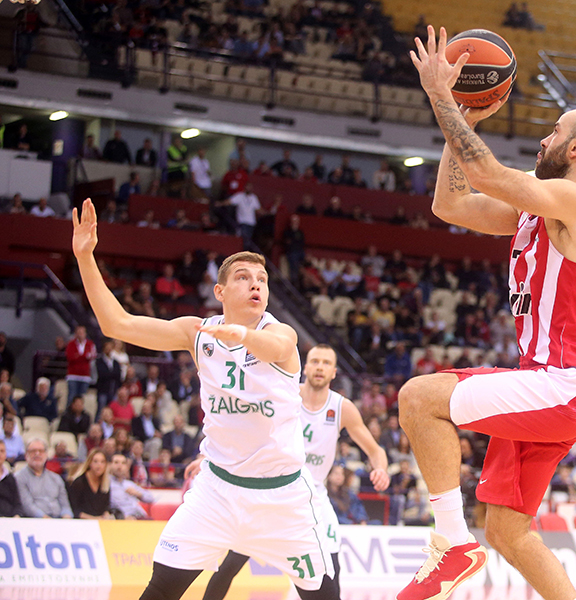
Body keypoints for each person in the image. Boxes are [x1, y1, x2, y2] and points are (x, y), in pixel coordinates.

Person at [399, 27, 576, 600]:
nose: (543, 139)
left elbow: (489, 176)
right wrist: (465, 123)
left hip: (562, 382)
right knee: (507, 529)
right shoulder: (535, 213)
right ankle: (473, 544)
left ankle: (451, 542)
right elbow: (449, 202)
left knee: (418, 399)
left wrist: (443, 98)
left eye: (554, 133)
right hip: (544, 385)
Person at [71, 199, 337, 598]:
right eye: (244, 278)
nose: (256, 285)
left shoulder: (282, 336)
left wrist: (243, 336)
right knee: (160, 588)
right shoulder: (198, 333)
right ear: (220, 290)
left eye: (262, 279)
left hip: (283, 500)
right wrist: (85, 257)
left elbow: (272, 345)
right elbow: (117, 324)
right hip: (217, 491)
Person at [200, 344, 390, 600]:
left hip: (314, 499)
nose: (320, 367)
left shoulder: (341, 407)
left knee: (331, 575)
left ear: (334, 372)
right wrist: (207, 454)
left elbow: (376, 451)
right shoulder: (285, 395)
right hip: (273, 492)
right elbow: (241, 426)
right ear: (305, 367)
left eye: (326, 363)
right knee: (229, 566)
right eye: (314, 361)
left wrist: (381, 469)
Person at [15, 438, 73, 518]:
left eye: (41, 451)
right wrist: (46, 519)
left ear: (46, 454)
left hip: (59, 521)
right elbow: (27, 506)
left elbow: (65, 505)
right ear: (26, 455)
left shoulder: (56, 478)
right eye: (33, 451)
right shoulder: (19, 477)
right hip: (34, 522)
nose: (37, 454)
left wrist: (67, 517)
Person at [68, 448, 112, 519]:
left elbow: (106, 506)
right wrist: (93, 518)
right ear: (89, 463)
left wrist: (106, 514)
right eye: (95, 461)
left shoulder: (106, 483)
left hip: (100, 522)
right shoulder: (79, 482)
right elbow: (74, 509)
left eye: (102, 462)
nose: (99, 465)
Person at [109, 452, 155, 519]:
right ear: (110, 465)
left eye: (123, 463)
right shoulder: (107, 484)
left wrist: (138, 494)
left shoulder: (129, 484)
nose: (120, 466)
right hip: (123, 519)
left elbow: (151, 498)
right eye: (116, 462)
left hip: (140, 515)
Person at [66, 324, 97, 404]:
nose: (80, 334)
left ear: (85, 333)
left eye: (82, 332)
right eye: (78, 332)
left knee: (82, 398)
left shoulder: (90, 344)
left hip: (85, 376)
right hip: (73, 375)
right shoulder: (71, 344)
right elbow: (70, 357)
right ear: (76, 333)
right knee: (71, 397)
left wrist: (78, 356)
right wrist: (84, 356)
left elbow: (93, 356)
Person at [0, 439, 27, 517]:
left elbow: (17, 503)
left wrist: (17, 515)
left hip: (10, 521)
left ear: (5, 454)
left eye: (2, 451)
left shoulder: (10, 478)